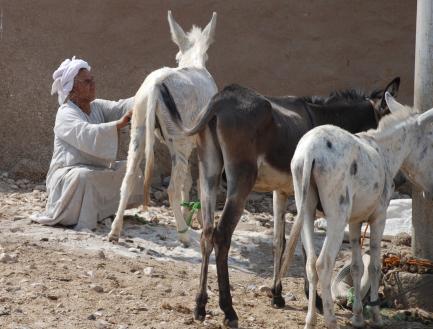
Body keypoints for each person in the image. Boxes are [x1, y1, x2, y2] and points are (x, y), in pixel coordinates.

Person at [32, 56, 143, 230]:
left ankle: (103, 211)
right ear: (73, 88)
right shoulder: (65, 113)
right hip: (68, 174)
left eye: (93, 80)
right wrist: (118, 125)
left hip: (95, 169)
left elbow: (121, 107)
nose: (93, 84)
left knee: (130, 168)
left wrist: (146, 95)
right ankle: (80, 216)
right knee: (83, 177)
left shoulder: (97, 106)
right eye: (87, 81)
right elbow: (86, 133)